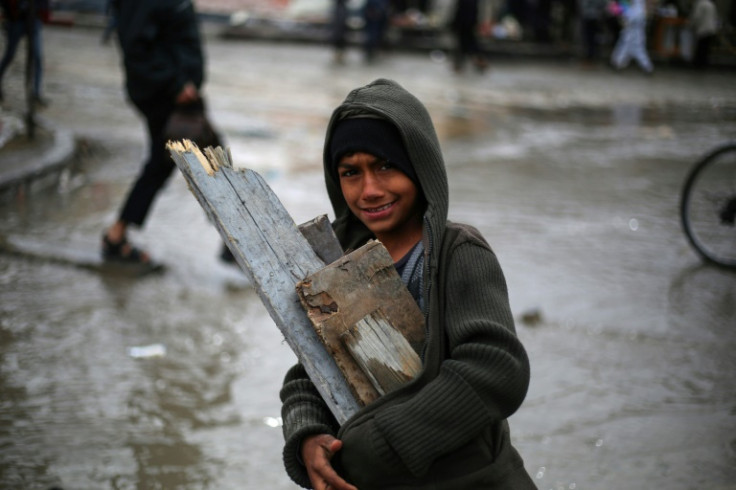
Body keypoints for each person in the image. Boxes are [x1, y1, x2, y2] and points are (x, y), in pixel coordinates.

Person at [280, 79, 534, 490]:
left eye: (385, 165)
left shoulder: (458, 252)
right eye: (351, 173)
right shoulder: (336, 262)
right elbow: (309, 371)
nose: (370, 190)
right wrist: (308, 436)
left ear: (420, 165)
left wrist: (380, 443)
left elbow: (496, 368)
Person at [101, 0, 212, 265]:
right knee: (204, 161)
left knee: (193, 158)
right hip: (166, 94)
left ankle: (117, 234)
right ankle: (115, 237)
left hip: (179, 93)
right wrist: (176, 84)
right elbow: (136, 46)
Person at [0, 0, 49, 105]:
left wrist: (44, 11)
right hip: (16, 20)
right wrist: (10, 13)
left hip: (34, 19)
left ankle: (36, 93)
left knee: (37, 57)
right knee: (9, 55)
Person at [609, 0, 654, 74]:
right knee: (623, 47)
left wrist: (625, 19)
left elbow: (634, 18)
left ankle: (648, 67)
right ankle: (616, 63)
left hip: (636, 34)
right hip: (629, 32)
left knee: (638, 50)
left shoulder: (639, 9)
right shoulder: (632, 7)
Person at [449, 0, 491, 73]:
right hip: (466, 19)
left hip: (466, 19)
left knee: (466, 40)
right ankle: (478, 60)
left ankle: (477, 60)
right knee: (465, 40)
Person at [689, 0, 717, 68]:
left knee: (700, 47)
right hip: (711, 28)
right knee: (706, 48)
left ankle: (698, 63)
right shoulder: (711, 4)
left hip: (703, 28)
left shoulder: (700, 3)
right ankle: (703, 63)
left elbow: (696, 16)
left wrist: (691, 25)